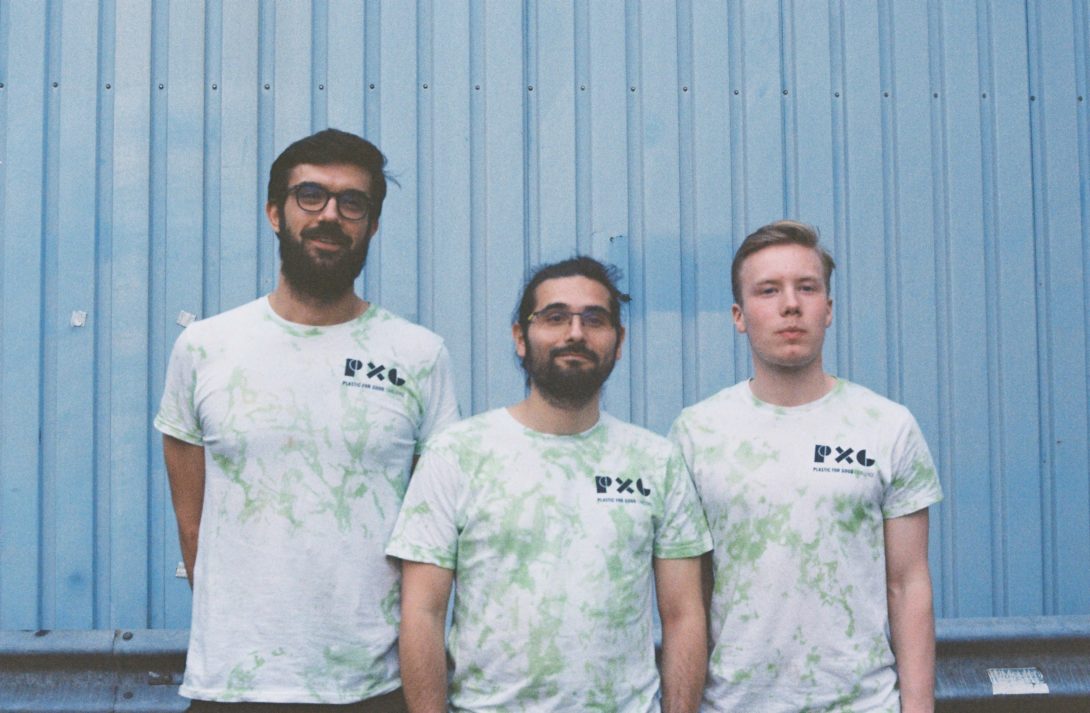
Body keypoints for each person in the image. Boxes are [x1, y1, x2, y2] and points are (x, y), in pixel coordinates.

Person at [155, 128, 459, 711]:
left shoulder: (419, 356)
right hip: (234, 685)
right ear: (275, 212)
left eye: (352, 203)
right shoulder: (205, 347)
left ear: (372, 226)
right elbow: (193, 528)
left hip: (374, 688)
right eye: (311, 196)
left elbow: (431, 542)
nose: (330, 215)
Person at [386, 256, 712, 713]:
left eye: (594, 319)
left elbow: (683, 617)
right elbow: (422, 613)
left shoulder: (657, 462)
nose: (575, 333)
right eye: (555, 317)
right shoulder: (457, 455)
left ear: (619, 342)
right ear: (521, 337)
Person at [669, 220, 943, 712]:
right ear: (738, 316)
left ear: (828, 309)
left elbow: (908, 586)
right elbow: (685, 604)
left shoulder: (887, 426)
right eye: (768, 290)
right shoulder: (697, 433)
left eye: (807, 288)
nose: (790, 304)